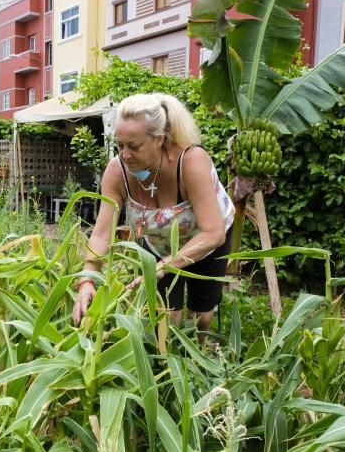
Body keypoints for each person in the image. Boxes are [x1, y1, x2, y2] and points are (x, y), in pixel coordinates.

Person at [72, 93, 235, 333]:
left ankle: (200, 358)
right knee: (166, 315)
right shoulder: (117, 171)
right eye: (120, 145)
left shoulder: (191, 162)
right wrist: (86, 280)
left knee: (202, 314)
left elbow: (213, 233)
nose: (125, 155)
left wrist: (166, 266)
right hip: (159, 244)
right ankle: (167, 360)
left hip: (206, 240)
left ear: (159, 140)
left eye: (134, 146)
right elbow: (101, 233)